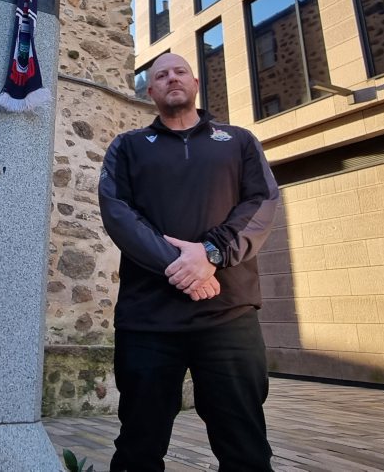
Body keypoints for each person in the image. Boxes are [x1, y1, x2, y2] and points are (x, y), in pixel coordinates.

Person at [98, 52, 281, 471]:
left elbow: (262, 202)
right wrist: (184, 267)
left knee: (246, 448)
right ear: (150, 92)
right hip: (148, 321)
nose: (171, 78)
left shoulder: (238, 141)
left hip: (227, 314)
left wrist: (212, 254)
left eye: (180, 71)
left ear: (196, 83)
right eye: (160, 75)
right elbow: (118, 213)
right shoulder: (127, 147)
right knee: (138, 448)